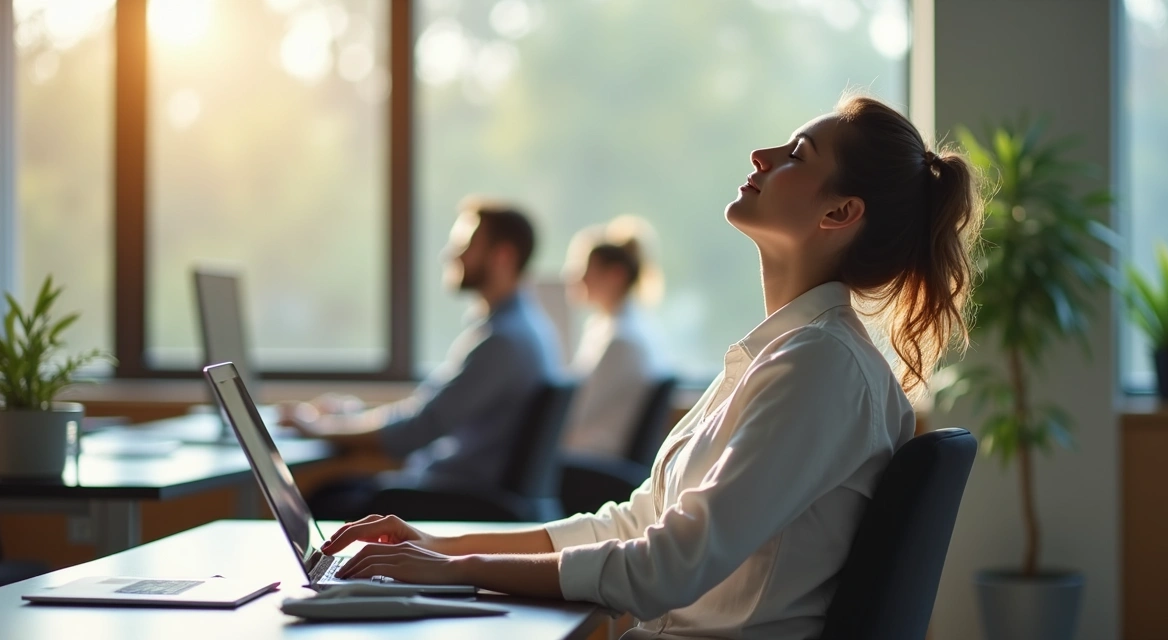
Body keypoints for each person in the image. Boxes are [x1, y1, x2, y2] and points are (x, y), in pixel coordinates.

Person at [316, 95, 982, 639]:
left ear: (839, 212)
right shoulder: (779, 354)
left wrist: (449, 570)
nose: (762, 155)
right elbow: (636, 523)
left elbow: (664, 568)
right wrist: (442, 548)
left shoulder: (820, 368)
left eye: (797, 155)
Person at [281, 198, 564, 520]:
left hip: (460, 497)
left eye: (466, 244)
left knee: (326, 499)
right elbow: (427, 408)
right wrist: (352, 415)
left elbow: (416, 430)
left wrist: (320, 428)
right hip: (459, 488)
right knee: (337, 490)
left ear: (503, 256)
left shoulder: (503, 340)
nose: (451, 254)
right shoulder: (523, 326)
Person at [562, 216, 670, 458]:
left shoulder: (621, 340)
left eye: (586, 269)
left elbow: (574, 412)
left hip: (592, 462)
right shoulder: (614, 328)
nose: (576, 277)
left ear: (616, 275)